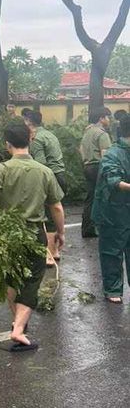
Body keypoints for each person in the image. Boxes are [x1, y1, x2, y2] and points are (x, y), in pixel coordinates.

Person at [0, 122, 65, 352]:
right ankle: (18, 329)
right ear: (31, 140)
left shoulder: (3, 169)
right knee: (32, 280)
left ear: (7, 145)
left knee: (11, 278)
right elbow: (56, 207)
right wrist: (61, 233)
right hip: (33, 232)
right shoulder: (44, 171)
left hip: (7, 235)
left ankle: (17, 322)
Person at [92, 115, 130, 303]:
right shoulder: (113, 154)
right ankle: (113, 290)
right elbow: (113, 181)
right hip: (112, 211)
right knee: (112, 250)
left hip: (126, 207)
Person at [23, 110, 67, 265]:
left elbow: (41, 164)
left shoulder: (36, 139)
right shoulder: (50, 134)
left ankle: (49, 254)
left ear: (28, 121)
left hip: (50, 176)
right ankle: (54, 251)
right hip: (60, 175)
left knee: (48, 216)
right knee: (55, 213)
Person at [80, 107, 112, 238]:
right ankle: (103, 227)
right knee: (103, 197)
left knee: (90, 198)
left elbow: (81, 149)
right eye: (107, 117)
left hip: (87, 166)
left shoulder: (87, 132)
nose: (109, 120)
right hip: (98, 166)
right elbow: (105, 155)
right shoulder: (101, 133)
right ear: (101, 119)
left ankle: (87, 228)